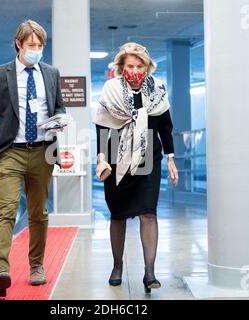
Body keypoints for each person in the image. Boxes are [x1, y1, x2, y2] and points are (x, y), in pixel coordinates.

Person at [0, 20, 65, 297]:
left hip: (43, 151)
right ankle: (0, 271)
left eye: (40, 45)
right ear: (18, 44)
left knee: (38, 213)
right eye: (31, 45)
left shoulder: (51, 73)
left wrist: (60, 122)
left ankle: (36, 266)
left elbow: (58, 107)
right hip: (10, 152)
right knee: (6, 210)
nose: (36, 50)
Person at [94, 42, 178, 294]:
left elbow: (165, 126)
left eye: (139, 65)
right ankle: (117, 266)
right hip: (115, 156)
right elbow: (102, 126)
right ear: (121, 67)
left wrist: (171, 158)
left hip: (149, 155)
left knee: (148, 213)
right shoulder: (111, 89)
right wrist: (101, 157)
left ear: (147, 66)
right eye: (130, 65)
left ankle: (149, 273)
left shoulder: (158, 90)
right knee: (118, 214)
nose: (135, 70)